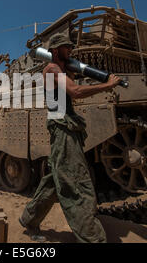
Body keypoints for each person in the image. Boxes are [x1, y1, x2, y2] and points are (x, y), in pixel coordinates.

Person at [19, 33, 121, 243]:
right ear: (55, 51)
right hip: (62, 128)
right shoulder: (52, 69)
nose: (71, 51)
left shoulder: (62, 69)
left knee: (56, 179)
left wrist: (74, 69)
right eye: (67, 48)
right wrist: (107, 85)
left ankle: (29, 218)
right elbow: (75, 92)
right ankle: (93, 238)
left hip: (66, 127)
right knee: (75, 181)